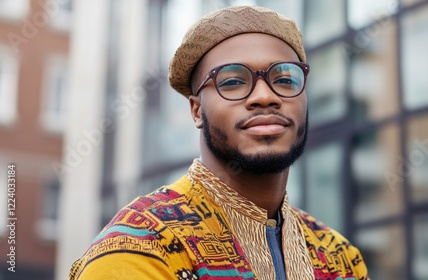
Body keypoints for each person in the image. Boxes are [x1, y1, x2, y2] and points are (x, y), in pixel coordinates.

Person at [69, 5, 370, 280]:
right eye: (233, 82)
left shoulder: (339, 258)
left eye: (284, 79)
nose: (265, 96)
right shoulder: (143, 243)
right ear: (197, 110)